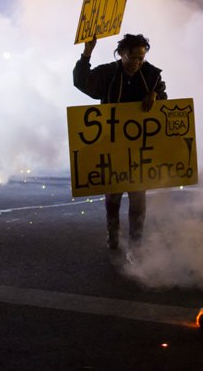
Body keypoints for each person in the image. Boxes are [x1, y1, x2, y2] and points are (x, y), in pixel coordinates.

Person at [73, 33, 167, 251]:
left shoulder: (151, 75)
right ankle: (113, 235)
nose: (136, 63)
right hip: (112, 146)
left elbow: (164, 99)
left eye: (141, 59)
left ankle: (136, 241)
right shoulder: (108, 73)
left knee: (138, 199)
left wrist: (156, 96)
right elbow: (82, 81)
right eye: (132, 58)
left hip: (139, 149)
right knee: (113, 197)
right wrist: (87, 54)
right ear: (121, 54)